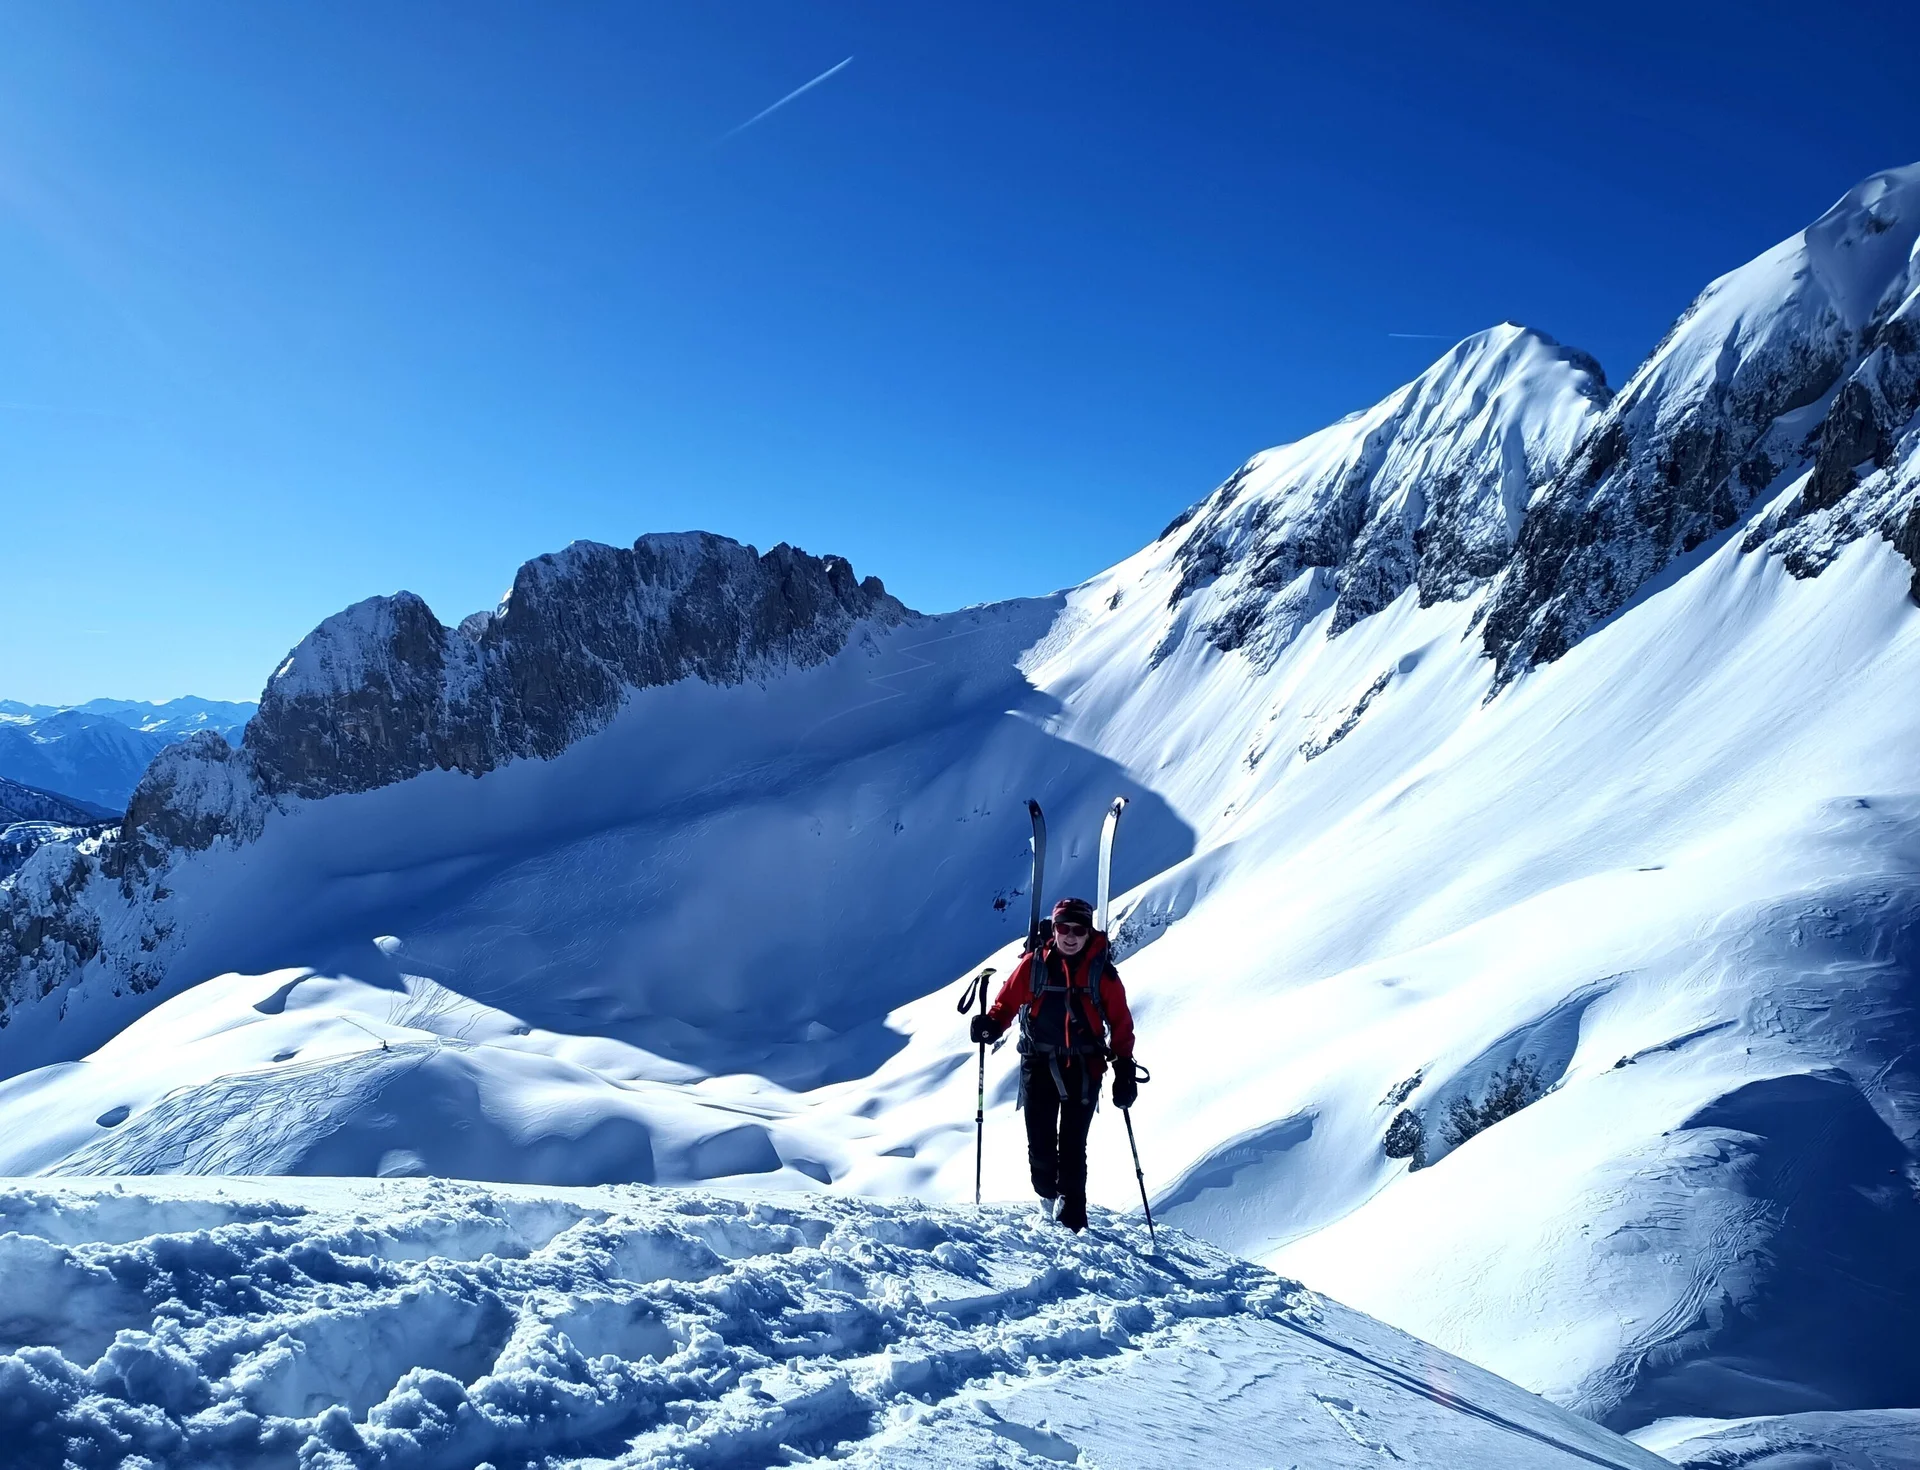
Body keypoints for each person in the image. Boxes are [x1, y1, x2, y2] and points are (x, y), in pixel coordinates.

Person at [970, 897, 1137, 1232]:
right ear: (1055, 929)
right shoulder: (1034, 966)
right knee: (1042, 1152)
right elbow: (1007, 1002)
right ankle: (1049, 1199)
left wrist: (1124, 1070)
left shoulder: (1101, 974)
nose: (1071, 936)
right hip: (1039, 1063)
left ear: (1089, 933)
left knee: (1073, 1149)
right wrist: (990, 1024)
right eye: (1064, 928)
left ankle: (1074, 1223)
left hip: (1085, 1067)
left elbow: (1120, 1023)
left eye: (1078, 929)